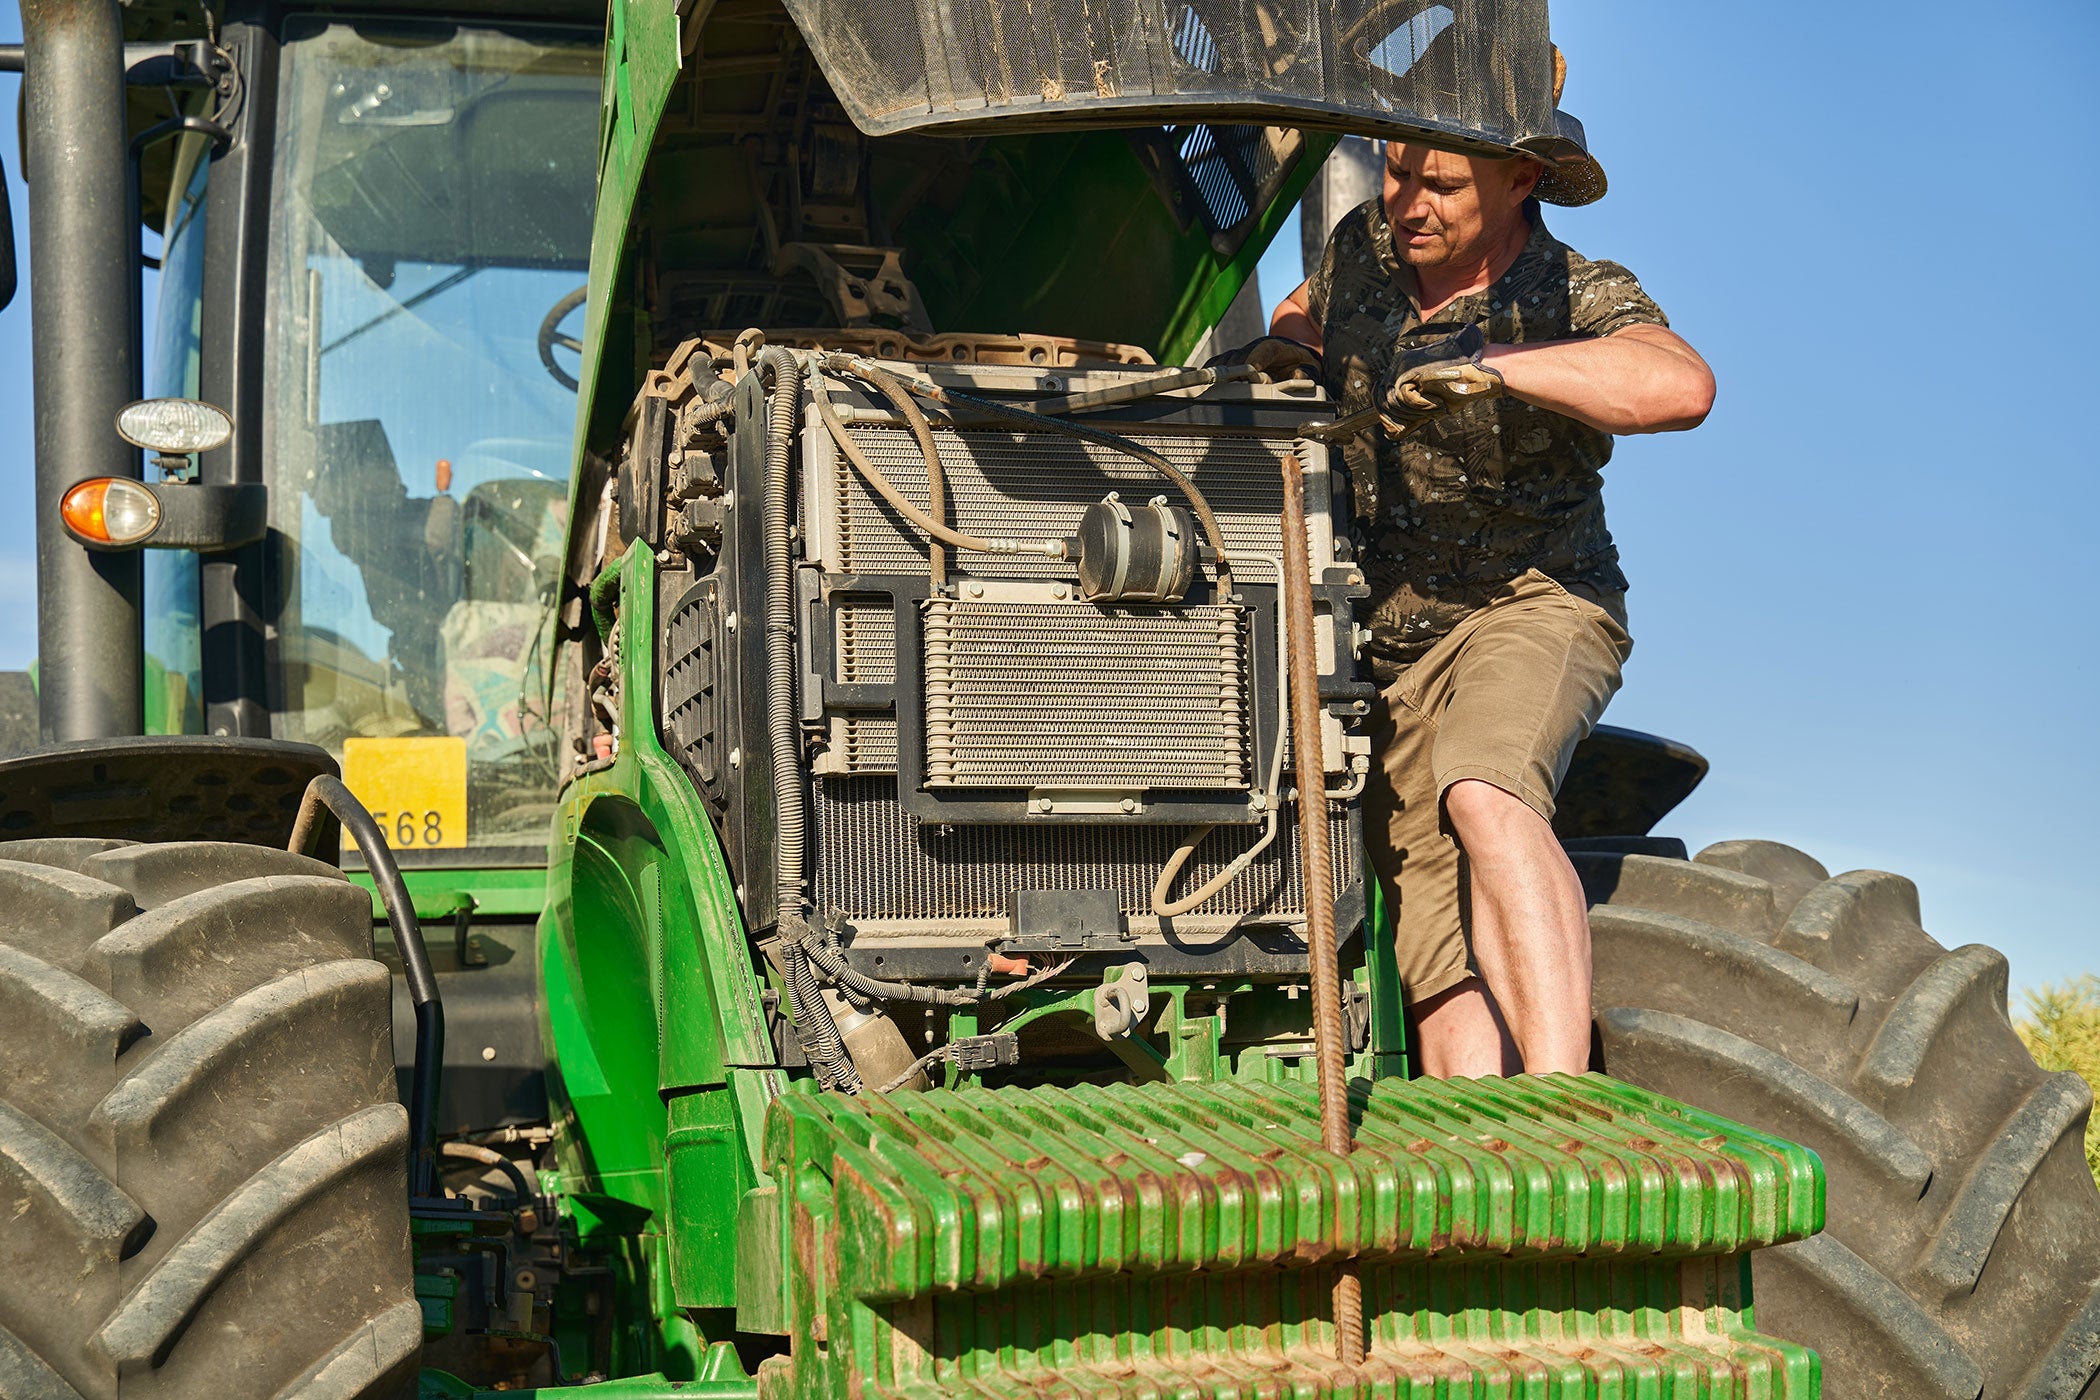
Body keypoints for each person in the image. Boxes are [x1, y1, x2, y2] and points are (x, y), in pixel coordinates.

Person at [1250, 130, 1715, 1078]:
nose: (1412, 203)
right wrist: (1289, 353)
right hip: (1390, 653)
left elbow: (1681, 384)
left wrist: (1501, 364)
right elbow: (1306, 309)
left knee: (1485, 790)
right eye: (1399, 173)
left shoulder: (1572, 292)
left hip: (1533, 606)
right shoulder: (1365, 248)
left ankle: (1562, 1095)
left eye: (1446, 185)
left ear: (1522, 182)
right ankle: (1484, 1186)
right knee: (1434, 957)